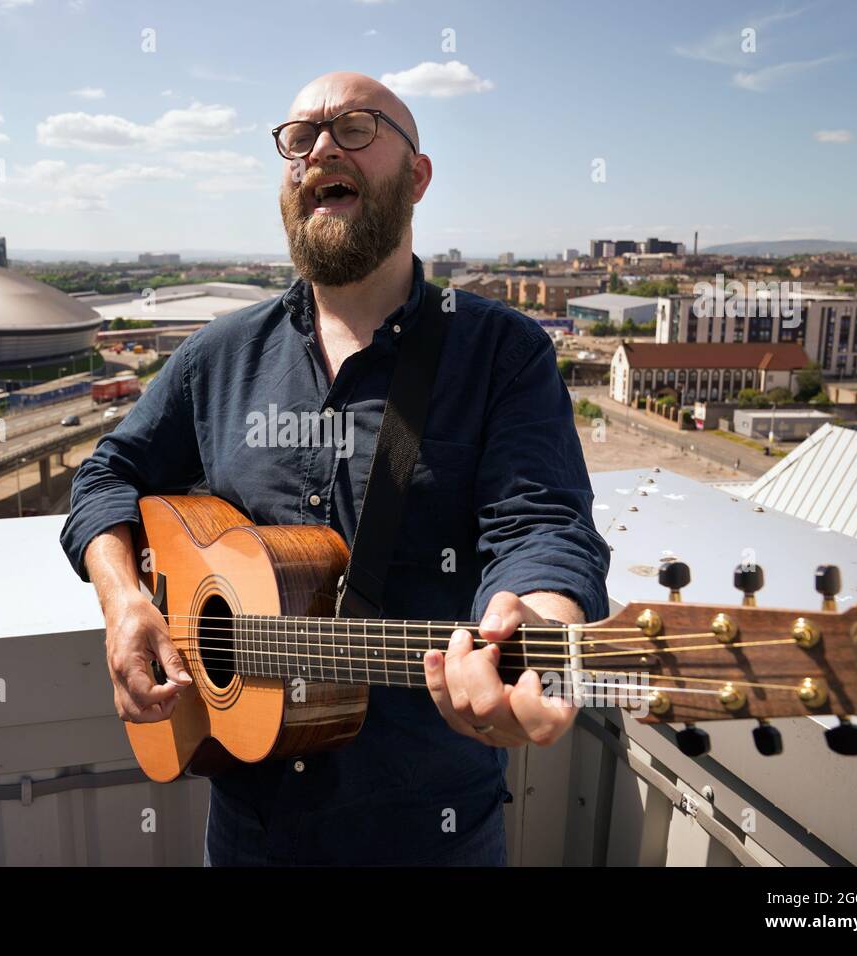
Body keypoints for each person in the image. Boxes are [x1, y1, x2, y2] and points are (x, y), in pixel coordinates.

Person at [60, 71, 610, 866]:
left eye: (354, 127)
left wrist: (543, 626)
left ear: (416, 178)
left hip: (432, 833)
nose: (319, 148)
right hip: (251, 826)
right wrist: (123, 604)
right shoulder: (219, 356)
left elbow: (542, 524)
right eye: (298, 137)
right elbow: (105, 477)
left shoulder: (501, 353)